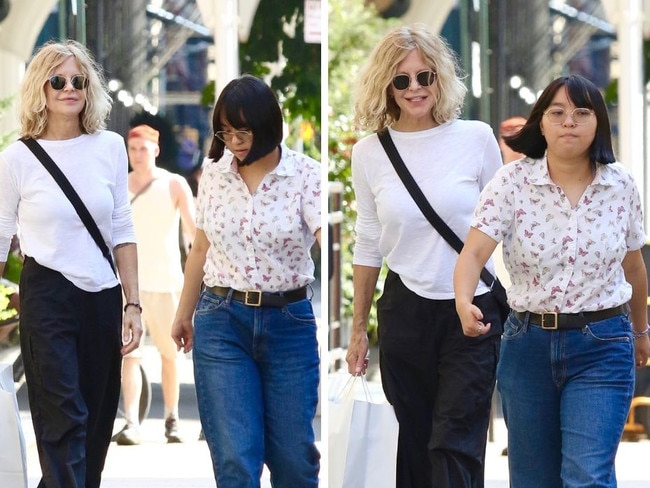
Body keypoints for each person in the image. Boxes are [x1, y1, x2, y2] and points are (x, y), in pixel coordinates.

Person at [454, 74, 650, 487]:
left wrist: (642, 330)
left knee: (587, 478)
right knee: (532, 479)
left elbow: (634, 266)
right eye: (557, 112)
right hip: (528, 347)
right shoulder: (511, 183)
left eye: (582, 113)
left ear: (598, 123)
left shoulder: (621, 186)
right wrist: (462, 300)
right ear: (540, 123)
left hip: (603, 344)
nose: (569, 122)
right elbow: (473, 252)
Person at [346, 23, 503, 488]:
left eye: (425, 76)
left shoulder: (476, 138)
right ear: (386, 87)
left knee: (455, 439)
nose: (415, 88)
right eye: (402, 80)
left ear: (440, 78)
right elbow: (368, 239)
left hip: (473, 307)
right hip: (404, 308)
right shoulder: (369, 154)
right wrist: (358, 330)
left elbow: (505, 224)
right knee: (412, 443)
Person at [0, 40, 142, 488]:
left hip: (102, 295)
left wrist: (133, 304)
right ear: (40, 88)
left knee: (96, 427)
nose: (69, 88)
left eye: (78, 80)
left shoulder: (110, 147)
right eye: (57, 80)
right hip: (47, 296)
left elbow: (122, 228)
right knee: (64, 419)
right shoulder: (17, 158)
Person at [171, 74, 321, 487]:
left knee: (295, 463)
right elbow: (200, 248)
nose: (234, 141)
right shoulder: (215, 175)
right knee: (236, 461)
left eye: (243, 130)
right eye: (225, 131)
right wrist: (183, 314)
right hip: (222, 321)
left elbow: (328, 238)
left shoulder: (307, 177)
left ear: (268, 124)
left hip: (288, 323)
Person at [112, 124, 196, 445]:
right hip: (128, 287)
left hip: (167, 283)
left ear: (156, 150)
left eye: (143, 149)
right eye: (132, 149)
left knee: (170, 355)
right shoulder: (118, 186)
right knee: (129, 356)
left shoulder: (174, 184)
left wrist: (198, 275)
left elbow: (194, 232)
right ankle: (132, 421)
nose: (137, 155)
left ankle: (172, 419)